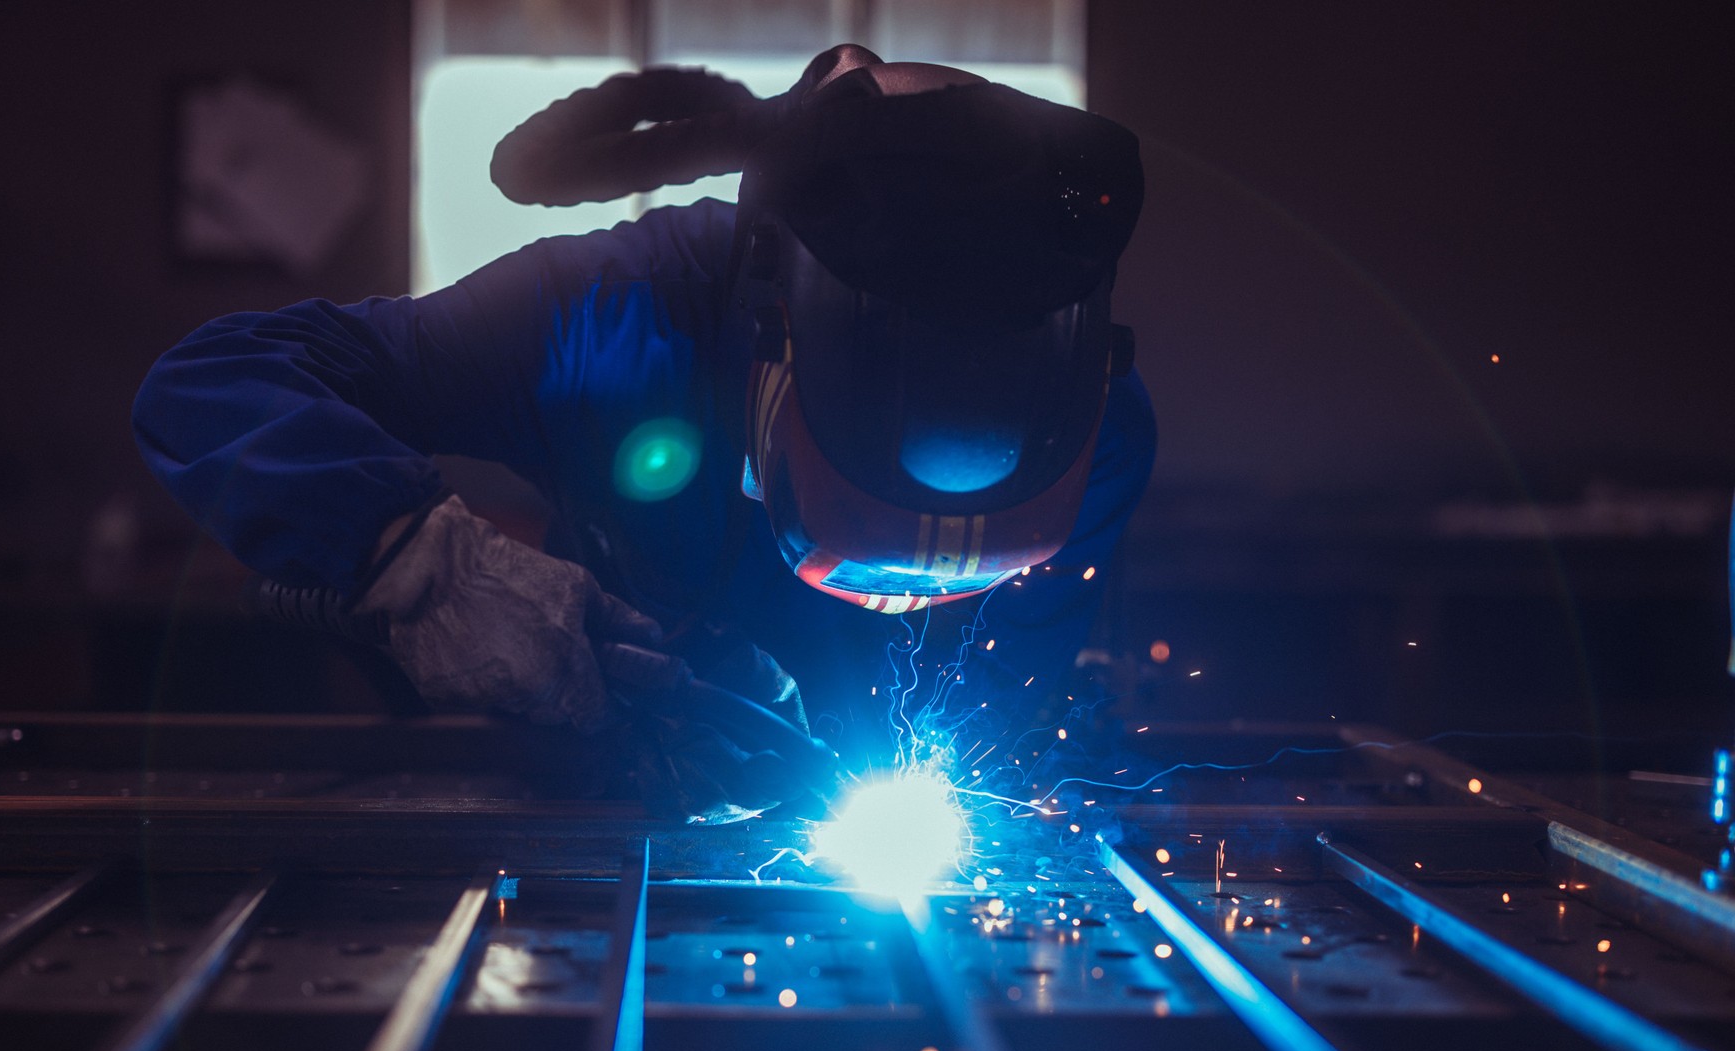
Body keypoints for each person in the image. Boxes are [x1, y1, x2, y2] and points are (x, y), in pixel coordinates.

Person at [132, 44, 1155, 820]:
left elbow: (1003, 705)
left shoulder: (1096, 428)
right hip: (605, 811)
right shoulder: (607, 322)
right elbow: (214, 380)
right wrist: (419, 559)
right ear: (771, 339)